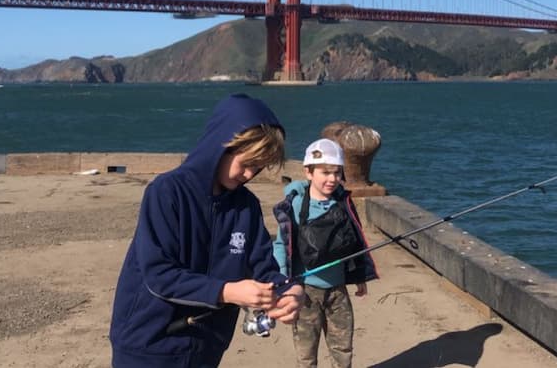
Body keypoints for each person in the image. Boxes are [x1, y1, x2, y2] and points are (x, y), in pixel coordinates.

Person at [110, 93, 305, 368]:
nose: (250, 175)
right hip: (148, 344)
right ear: (222, 145)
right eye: (246, 163)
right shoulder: (166, 192)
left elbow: (263, 266)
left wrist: (290, 290)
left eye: (258, 167)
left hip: (208, 345)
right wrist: (227, 291)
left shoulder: (246, 205)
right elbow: (158, 273)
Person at [273, 138, 378, 368]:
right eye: (325, 172)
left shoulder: (343, 203)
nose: (332, 179)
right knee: (306, 352)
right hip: (305, 292)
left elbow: (355, 242)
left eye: (337, 173)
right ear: (308, 172)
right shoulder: (295, 203)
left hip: (338, 290)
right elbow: (281, 245)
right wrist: (284, 281)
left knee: (343, 348)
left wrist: (360, 276)